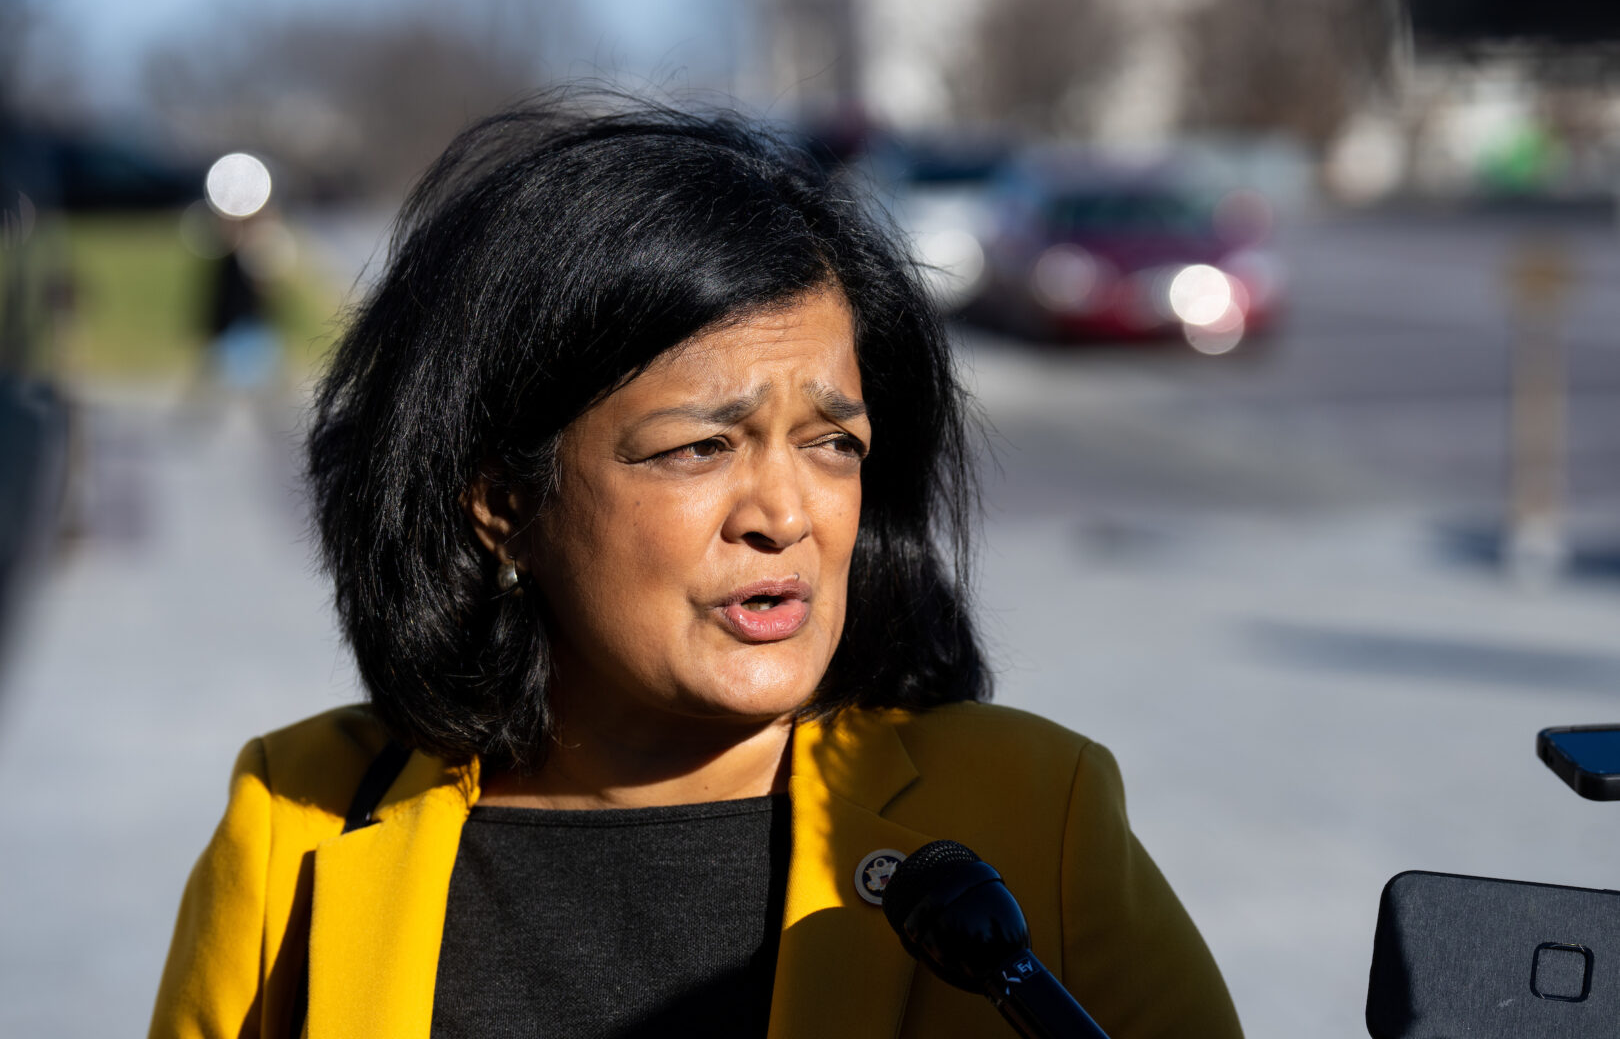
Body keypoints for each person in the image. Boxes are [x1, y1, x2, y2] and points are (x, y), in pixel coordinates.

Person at [148, 91, 1243, 1039]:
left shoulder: (1036, 815)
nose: (785, 514)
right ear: (501, 503)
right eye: (699, 447)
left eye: (832, 444)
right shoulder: (294, 816)